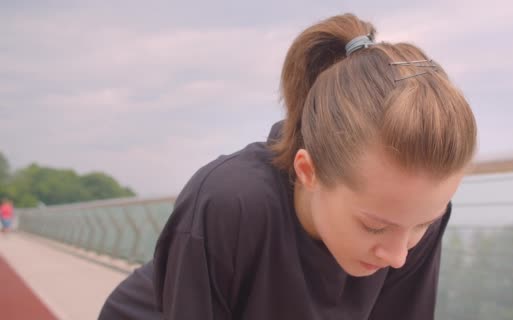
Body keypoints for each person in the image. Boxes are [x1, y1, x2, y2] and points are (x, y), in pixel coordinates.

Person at [99, 13, 477, 320]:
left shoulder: (410, 221)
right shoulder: (229, 203)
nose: (398, 256)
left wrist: (404, 227)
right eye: (374, 225)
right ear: (308, 171)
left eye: (422, 226)